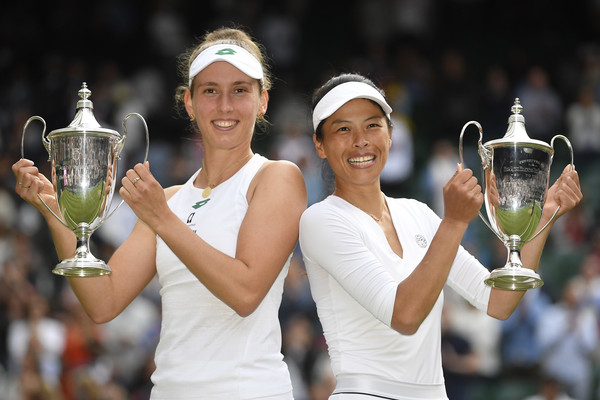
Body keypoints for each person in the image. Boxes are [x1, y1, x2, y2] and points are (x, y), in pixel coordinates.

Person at [12, 27, 307, 399]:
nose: (225, 105)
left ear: (263, 100)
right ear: (189, 102)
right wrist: (54, 210)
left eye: (240, 90)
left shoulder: (277, 177)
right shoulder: (167, 200)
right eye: (210, 91)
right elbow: (104, 301)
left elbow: (245, 293)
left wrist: (163, 219)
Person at [298, 73, 582, 400]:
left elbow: (499, 302)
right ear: (320, 144)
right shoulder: (320, 220)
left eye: (373, 125)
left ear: (391, 136)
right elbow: (404, 316)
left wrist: (543, 215)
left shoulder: (417, 213)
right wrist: (455, 222)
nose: (361, 140)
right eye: (343, 129)